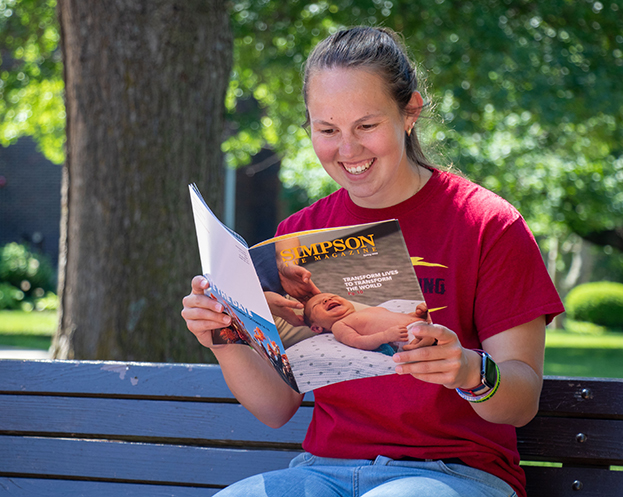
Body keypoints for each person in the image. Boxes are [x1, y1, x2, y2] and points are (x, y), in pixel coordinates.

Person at [182, 26, 564, 497]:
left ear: (410, 113)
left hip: (453, 474)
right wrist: (222, 335)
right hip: (322, 472)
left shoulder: (488, 224)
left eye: (366, 126)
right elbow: (278, 405)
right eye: (327, 130)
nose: (348, 150)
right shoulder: (298, 235)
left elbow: (522, 401)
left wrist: (469, 370)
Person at [304, 292, 435, 352]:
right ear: (317, 328)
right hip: (405, 336)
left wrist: (417, 313)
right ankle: (431, 341)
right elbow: (358, 342)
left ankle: (434, 335)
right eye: (318, 304)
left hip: (420, 324)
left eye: (332, 297)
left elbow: (398, 317)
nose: (327, 300)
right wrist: (385, 336)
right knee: (423, 344)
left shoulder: (372, 309)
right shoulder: (339, 325)